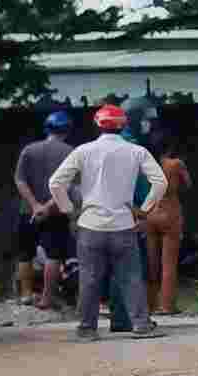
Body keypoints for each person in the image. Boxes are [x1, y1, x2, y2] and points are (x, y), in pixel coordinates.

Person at [49, 104, 168, 341]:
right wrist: (143, 211)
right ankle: (141, 325)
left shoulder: (83, 151)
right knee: (131, 277)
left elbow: (55, 183)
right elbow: (160, 182)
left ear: (97, 124)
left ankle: (87, 329)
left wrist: (69, 211)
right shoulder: (136, 151)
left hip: (90, 226)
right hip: (123, 225)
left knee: (90, 278)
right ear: (122, 124)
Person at [12, 109, 75, 311]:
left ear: (46, 128)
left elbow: (19, 180)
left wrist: (34, 205)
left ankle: (26, 295)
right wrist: (47, 206)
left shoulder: (29, 150)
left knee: (25, 253)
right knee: (53, 255)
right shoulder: (70, 152)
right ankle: (47, 298)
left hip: (27, 211)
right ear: (67, 130)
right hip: (56, 212)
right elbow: (68, 186)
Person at [144, 136, 190, 316]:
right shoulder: (175, 164)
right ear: (170, 147)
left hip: (150, 213)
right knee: (168, 264)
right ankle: (167, 305)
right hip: (170, 213)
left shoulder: (147, 164)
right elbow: (188, 184)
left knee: (151, 263)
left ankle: (150, 305)